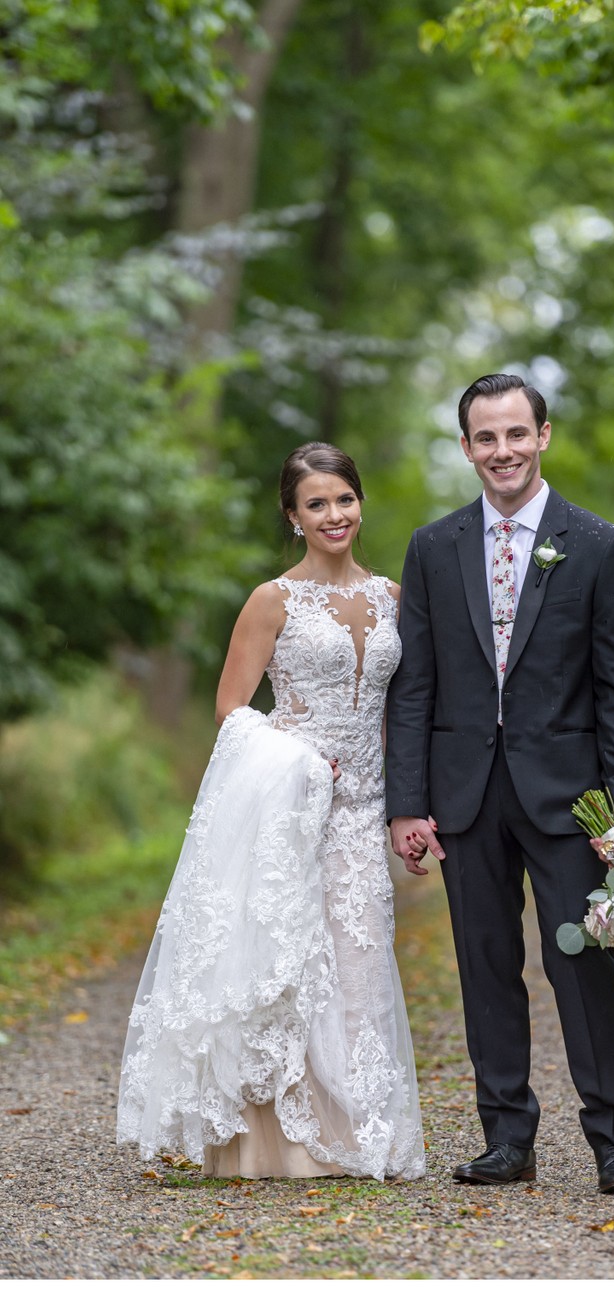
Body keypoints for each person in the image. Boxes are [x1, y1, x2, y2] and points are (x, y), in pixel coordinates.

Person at [117, 442, 425, 1182]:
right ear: (292, 516)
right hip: (292, 803)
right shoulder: (272, 600)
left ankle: (359, 1130)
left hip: (363, 808)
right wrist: (297, 762)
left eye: (344, 499)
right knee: (287, 963)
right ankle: (277, 1143)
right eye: (315, 504)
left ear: (361, 502)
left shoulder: (393, 597)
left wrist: (408, 802)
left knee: (357, 962)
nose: (334, 515)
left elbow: (405, 708)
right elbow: (232, 708)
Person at [385, 373, 614, 1195]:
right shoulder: (434, 547)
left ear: (544, 437)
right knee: (485, 964)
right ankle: (508, 1137)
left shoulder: (600, 545)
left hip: (571, 795)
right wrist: (406, 803)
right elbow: (415, 685)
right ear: (466, 447)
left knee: (582, 963)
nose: (502, 451)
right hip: (465, 793)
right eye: (485, 438)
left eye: (515, 434)